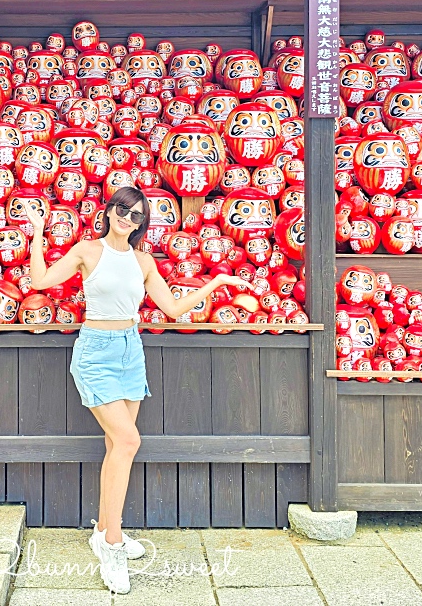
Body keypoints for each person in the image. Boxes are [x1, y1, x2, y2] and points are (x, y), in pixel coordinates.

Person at [25, 186, 252, 595]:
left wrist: (216, 280)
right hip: (95, 353)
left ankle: (105, 531)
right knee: (129, 441)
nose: (128, 219)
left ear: (142, 224)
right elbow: (38, 281)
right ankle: (112, 545)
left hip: (131, 352)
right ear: (109, 211)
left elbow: (174, 310)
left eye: (137, 216)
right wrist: (38, 232)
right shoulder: (86, 251)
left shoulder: (144, 261)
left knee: (117, 447)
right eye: (123, 210)